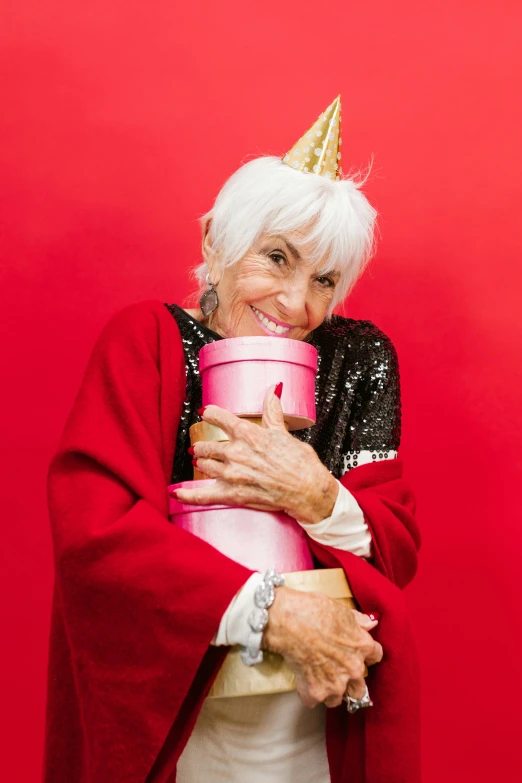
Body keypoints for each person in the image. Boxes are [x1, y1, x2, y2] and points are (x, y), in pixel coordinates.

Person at [44, 97, 421, 783]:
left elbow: (392, 548)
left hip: (313, 728)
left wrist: (315, 493)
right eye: (277, 258)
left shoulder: (360, 356)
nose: (298, 303)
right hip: (179, 721)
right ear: (217, 241)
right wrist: (270, 610)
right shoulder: (146, 342)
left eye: (324, 280)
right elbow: (93, 534)